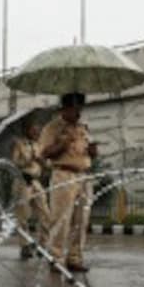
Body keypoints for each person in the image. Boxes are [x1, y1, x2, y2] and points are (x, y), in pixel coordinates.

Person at [38, 93, 98, 273]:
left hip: (84, 176)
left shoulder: (83, 127)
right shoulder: (52, 127)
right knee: (61, 219)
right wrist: (61, 144)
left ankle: (74, 258)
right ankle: (56, 258)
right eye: (74, 108)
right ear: (65, 108)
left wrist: (93, 151)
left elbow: (88, 153)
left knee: (81, 219)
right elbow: (44, 153)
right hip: (64, 175)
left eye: (80, 108)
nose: (78, 112)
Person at [10, 119, 51, 259]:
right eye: (33, 129)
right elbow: (15, 163)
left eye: (37, 130)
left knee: (45, 214)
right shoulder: (19, 144)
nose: (36, 132)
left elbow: (46, 165)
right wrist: (28, 158)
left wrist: (42, 162)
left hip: (36, 182)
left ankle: (43, 245)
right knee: (23, 215)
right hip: (23, 181)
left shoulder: (39, 145)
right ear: (27, 130)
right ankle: (25, 246)